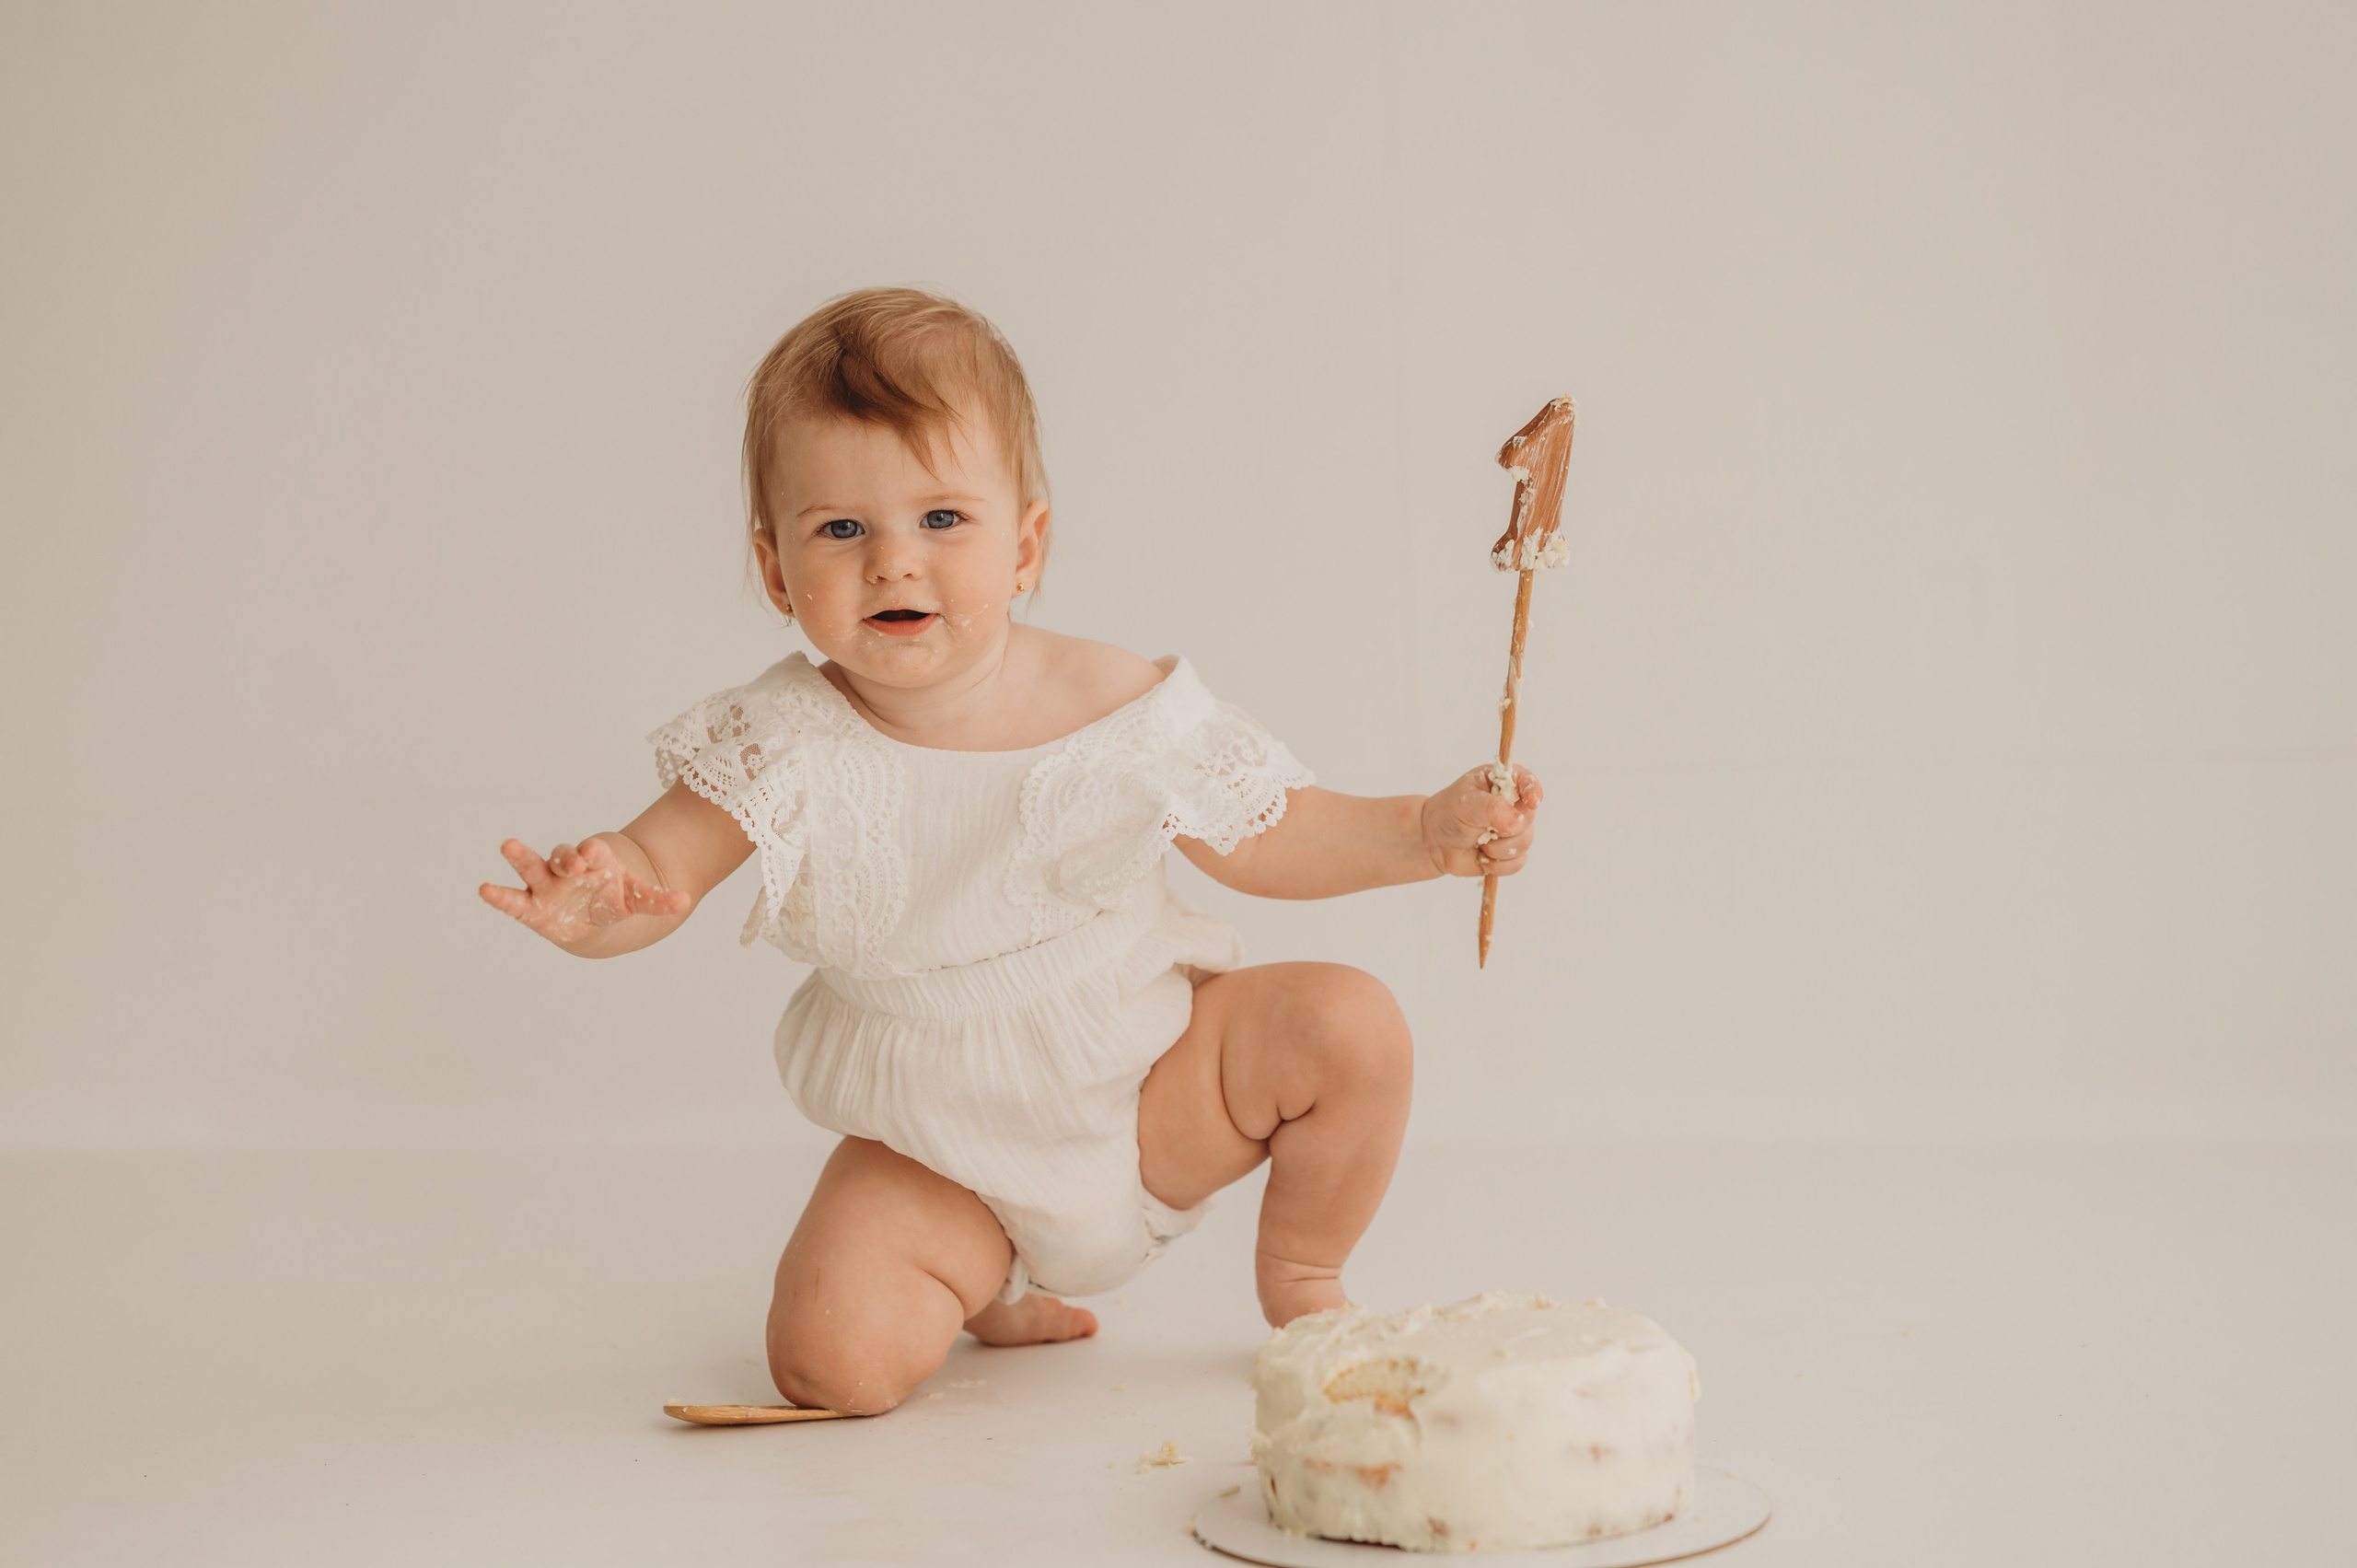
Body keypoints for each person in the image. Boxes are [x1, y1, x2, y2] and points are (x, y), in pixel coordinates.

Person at [479, 287, 1543, 1416]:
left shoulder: (1110, 699)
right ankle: (988, 1275)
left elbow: (1267, 827)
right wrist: (600, 903)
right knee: (829, 1363)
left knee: (1350, 1026)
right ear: (776, 568)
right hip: (939, 1148)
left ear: (1025, 543)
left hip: (1150, 1083)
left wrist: (1421, 833)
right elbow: (663, 869)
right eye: (842, 528)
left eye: (942, 520)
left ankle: (1301, 1273)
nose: (894, 562)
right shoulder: (780, 735)